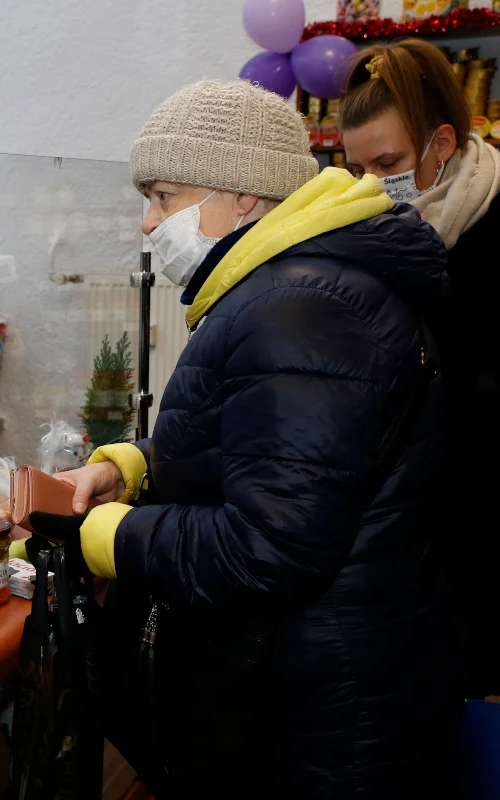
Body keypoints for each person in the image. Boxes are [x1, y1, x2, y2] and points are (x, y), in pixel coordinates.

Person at [49, 81, 463, 797]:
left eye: (165, 195)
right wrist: (136, 468)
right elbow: (283, 447)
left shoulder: (301, 306)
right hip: (331, 676)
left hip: (321, 713)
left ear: (243, 196)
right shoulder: (303, 284)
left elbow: (272, 546)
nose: (150, 222)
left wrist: (112, 535)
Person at [340, 39, 500, 697]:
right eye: (356, 169)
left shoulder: (486, 228)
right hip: (414, 534)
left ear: (442, 143)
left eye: (389, 163)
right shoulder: (382, 238)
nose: (373, 186)